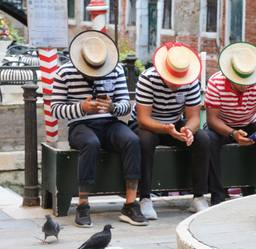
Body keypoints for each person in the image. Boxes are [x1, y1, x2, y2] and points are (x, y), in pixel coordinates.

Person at [51, 30, 148, 227]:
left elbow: (125, 104)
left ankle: (130, 204)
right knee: (91, 143)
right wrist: (82, 108)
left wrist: (113, 107)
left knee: (132, 140)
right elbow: (55, 110)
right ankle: (83, 205)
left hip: (110, 123)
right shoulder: (64, 73)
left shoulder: (116, 69)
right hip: (80, 125)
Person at [129, 42, 210, 220]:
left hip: (174, 122)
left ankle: (198, 196)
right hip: (146, 125)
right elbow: (143, 119)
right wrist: (167, 129)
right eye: (172, 80)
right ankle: (145, 198)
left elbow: (194, 117)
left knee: (202, 139)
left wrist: (187, 130)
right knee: (145, 141)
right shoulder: (148, 78)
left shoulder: (191, 81)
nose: (176, 84)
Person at [204, 42, 256, 205]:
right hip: (221, 125)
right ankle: (217, 195)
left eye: (249, 81)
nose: (245, 86)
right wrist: (232, 133)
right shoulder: (215, 82)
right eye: (239, 82)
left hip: (250, 122)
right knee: (208, 141)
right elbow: (212, 119)